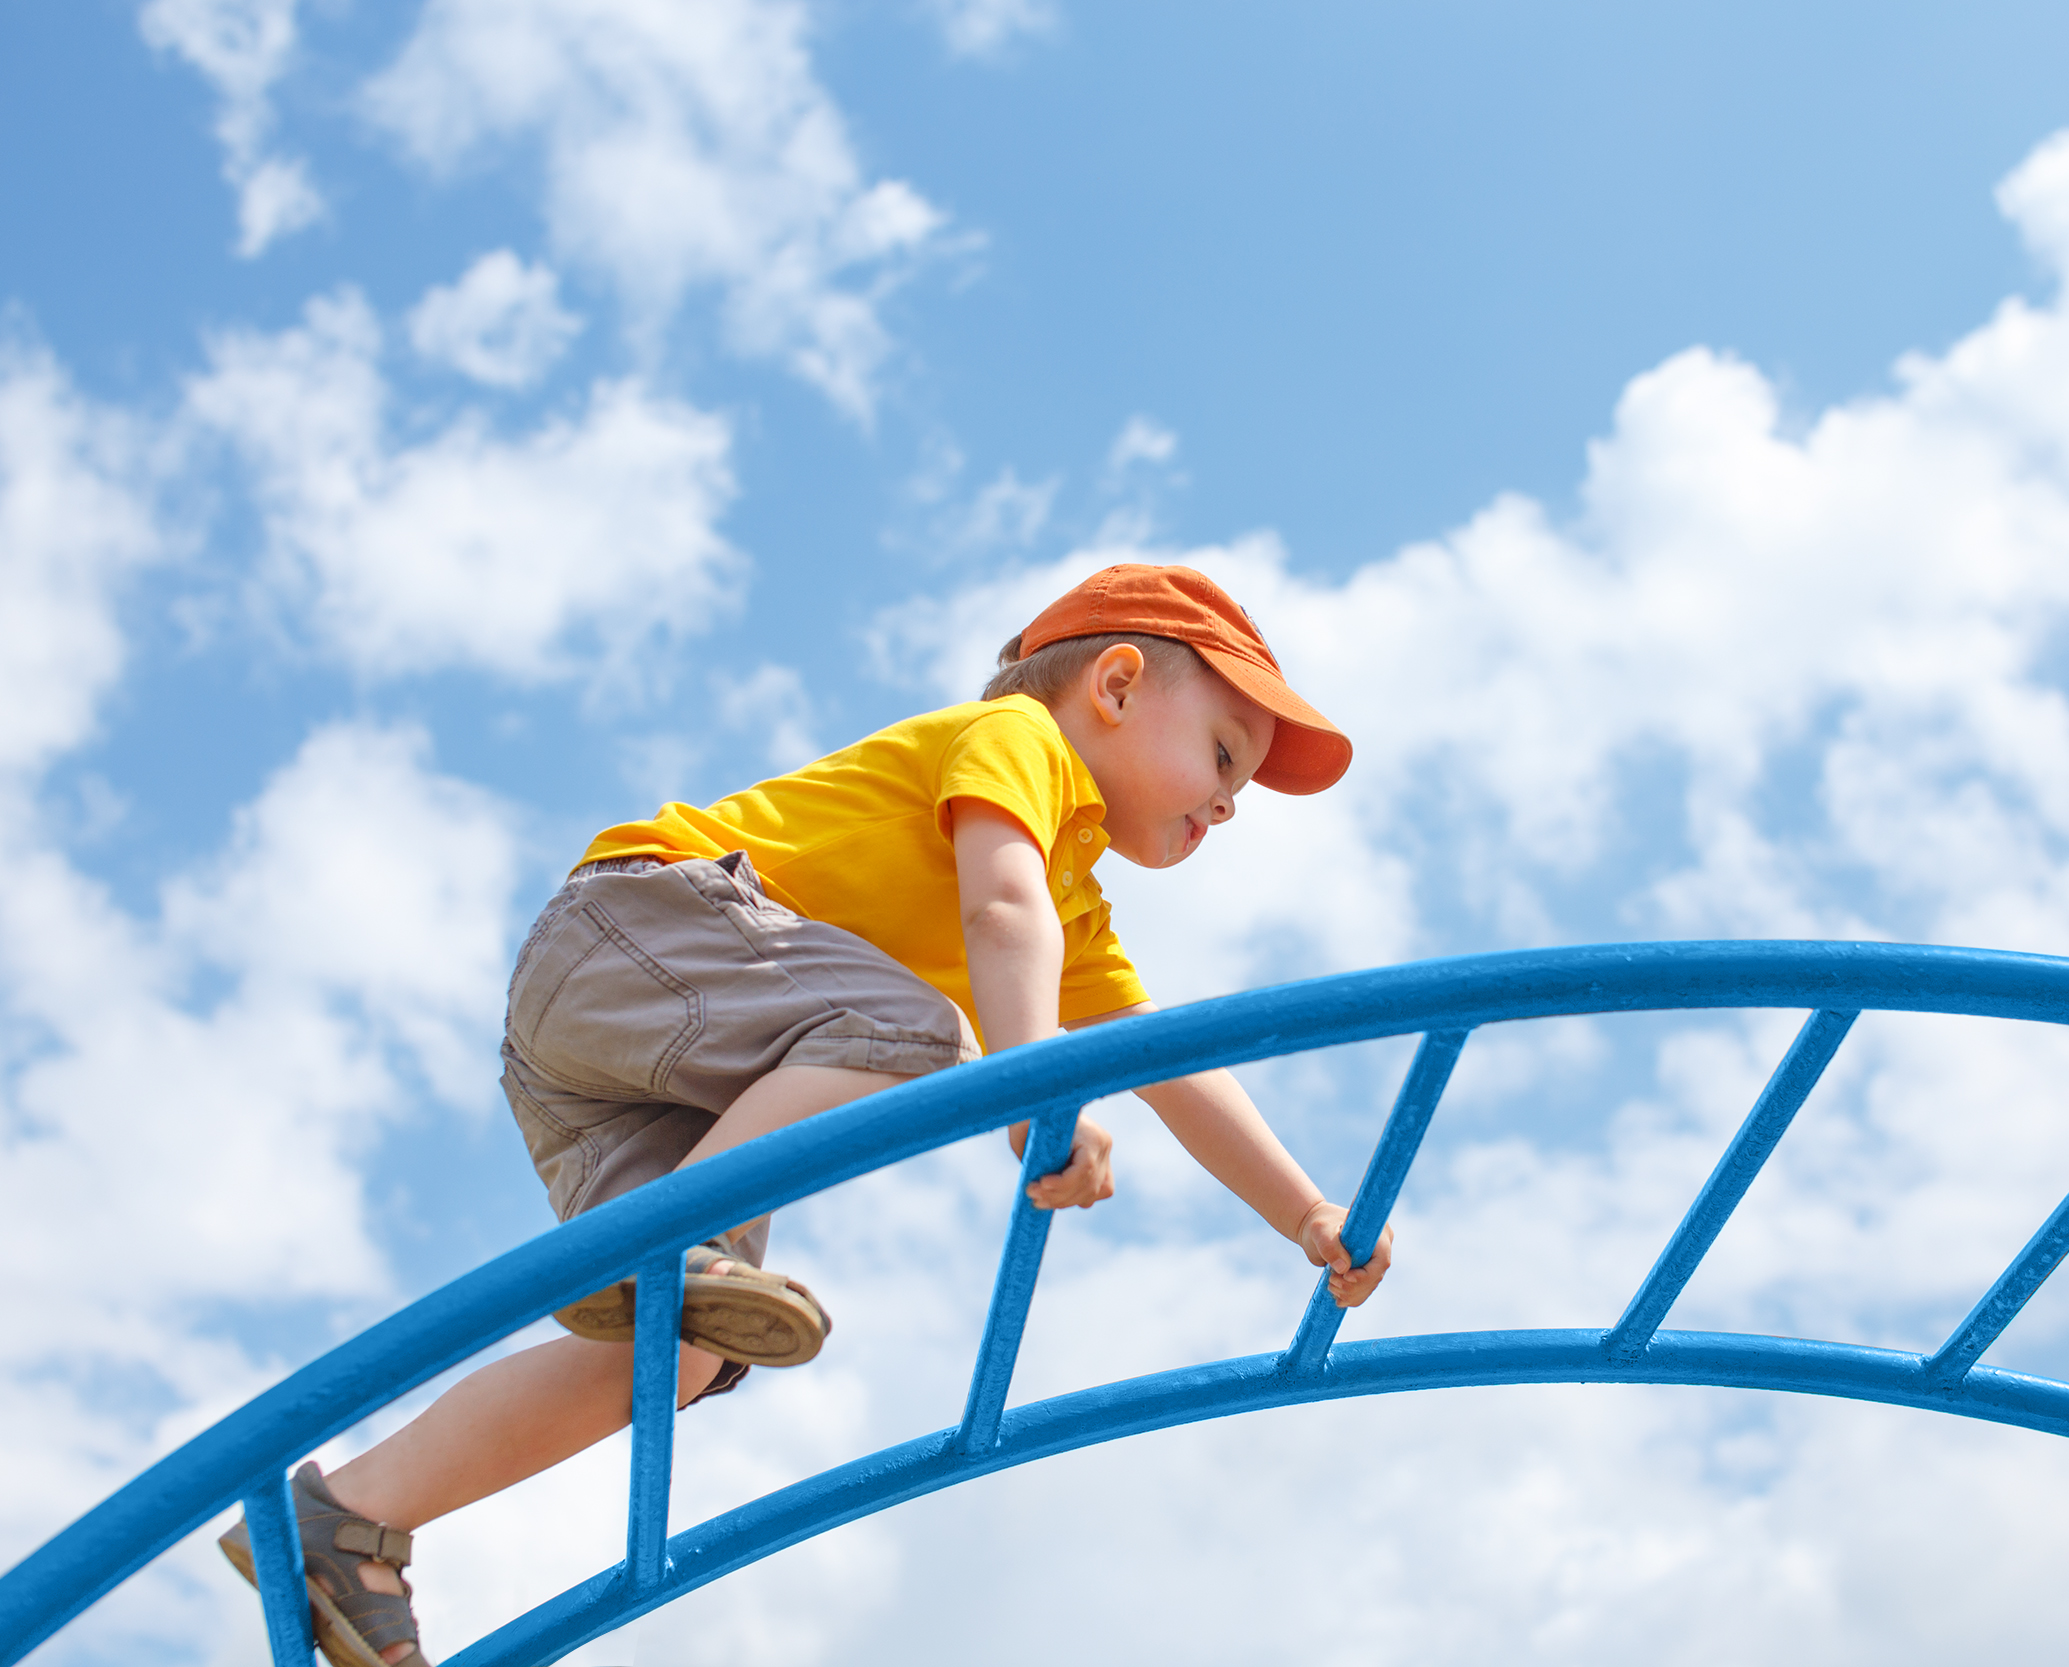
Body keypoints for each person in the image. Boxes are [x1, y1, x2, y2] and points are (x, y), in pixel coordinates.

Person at [218, 563, 1393, 1667]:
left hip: (624, 1063)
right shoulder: (1021, 745)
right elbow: (998, 912)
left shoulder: (1072, 906)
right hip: (637, 935)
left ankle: (351, 1516)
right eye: (1224, 754)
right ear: (1119, 684)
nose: (1229, 804)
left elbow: (1169, 1061)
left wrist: (1305, 1210)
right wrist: (1035, 1086)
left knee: (677, 1346)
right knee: (926, 1033)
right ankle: (689, 1240)